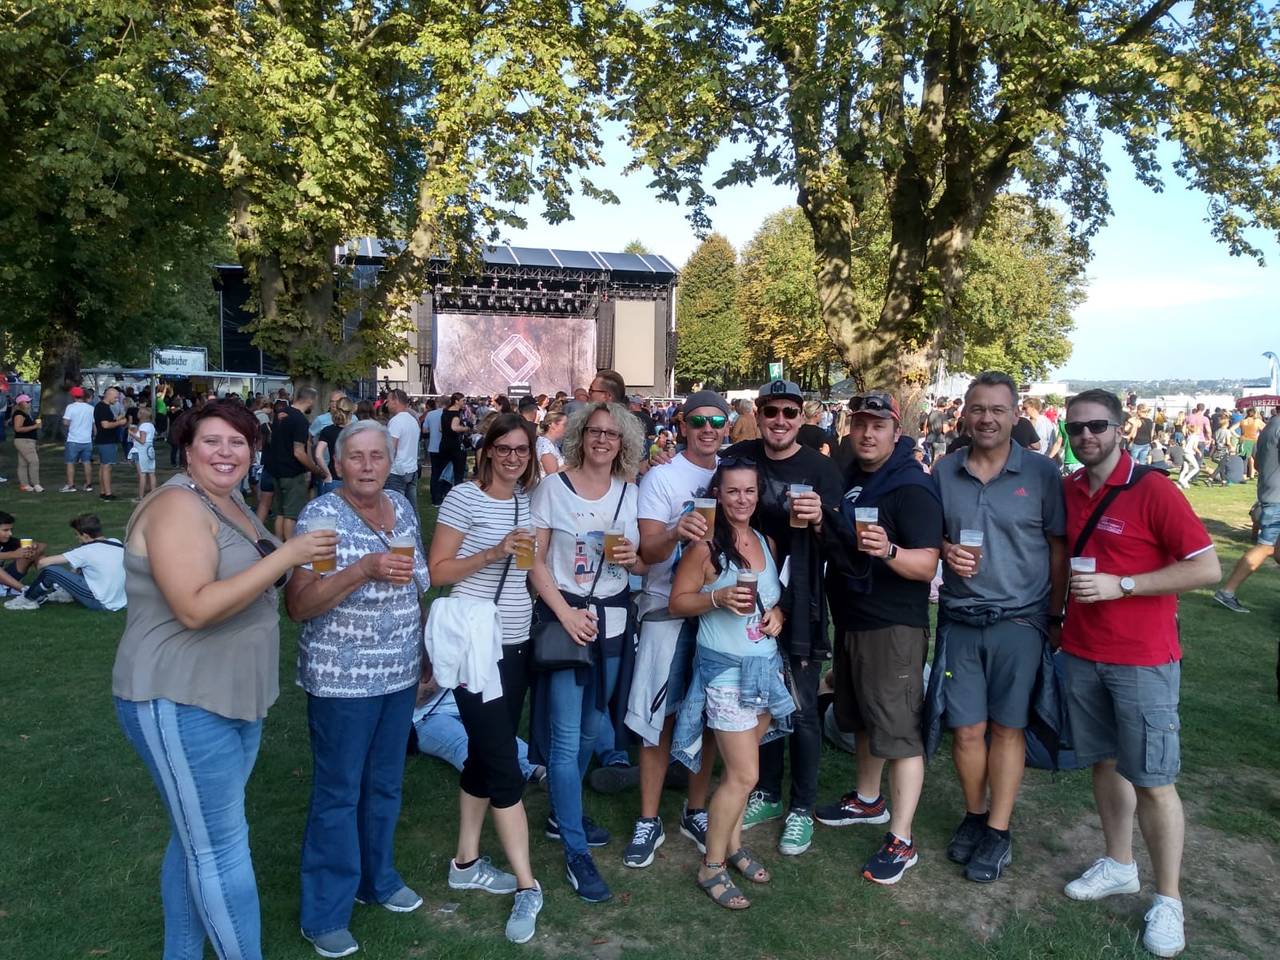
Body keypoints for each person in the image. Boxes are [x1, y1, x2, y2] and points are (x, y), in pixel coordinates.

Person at [112, 400, 336, 960]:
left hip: (233, 698)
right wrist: (288, 553)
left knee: (196, 840)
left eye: (238, 441)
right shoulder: (176, 507)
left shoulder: (229, 501)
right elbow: (194, 607)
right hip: (179, 696)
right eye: (211, 441)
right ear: (187, 450)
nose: (226, 452)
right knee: (221, 850)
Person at [1058, 389, 1220, 959]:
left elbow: (1206, 567)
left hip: (1143, 658)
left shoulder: (1153, 489)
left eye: (1097, 426)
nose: (1086, 436)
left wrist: (1123, 585)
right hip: (1082, 650)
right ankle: (1120, 863)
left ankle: (1168, 899)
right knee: (1105, 762)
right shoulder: (1071, 488)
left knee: (1152, 779)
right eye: (1076, 428)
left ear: (1120, 428)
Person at [285, 419, 431, 958]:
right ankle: (324, 914)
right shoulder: (322, 517)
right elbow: (301, 604)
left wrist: (423, 648)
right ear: (338, 463)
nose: (368, 466)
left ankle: (378, 879)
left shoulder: (404, 509)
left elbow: (415, 587)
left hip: (397, 672)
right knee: (339, 792)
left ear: (391, 462)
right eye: (357, 457)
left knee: (385, 784)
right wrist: (362, 570)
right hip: (342, 678)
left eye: (377, 456)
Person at [930, 370, 1067, 883]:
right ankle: (974, 815)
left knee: (1009, 727)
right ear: (964, 414)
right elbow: (930, 536)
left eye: (997, 410)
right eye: (978, 409)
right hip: (961, 616)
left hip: (1020, 619)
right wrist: (945, 550)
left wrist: (1055, 615)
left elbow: (1058, 549)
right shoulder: (944, 470)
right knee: (966, 729)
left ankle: (999, 829)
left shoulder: (1042, 473)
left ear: (1015, 415)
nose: (986, 418)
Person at [814, 392, 943, 885]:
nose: (867, 433)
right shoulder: (854, 477)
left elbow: (926, 564)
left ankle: (902, 839)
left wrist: (889, 549)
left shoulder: (912, 486)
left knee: (900, 732)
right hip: (852, 619)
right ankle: (868, 800)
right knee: (865, 718)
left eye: (878, 425)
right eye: (861, 424)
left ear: (896, 431)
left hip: (893, 627)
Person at [426, 413, 544, 945]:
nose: (513, 457)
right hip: (476, 649)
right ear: (488, 450)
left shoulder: (526, 502)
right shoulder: (464, 499)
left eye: (522, 449)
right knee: (503, 764)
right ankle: (527, 884)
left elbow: (530, 572)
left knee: (481, 753)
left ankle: (466, 862)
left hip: (516, 644)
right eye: (505, 448)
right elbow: (438, 571)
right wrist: (494, 552)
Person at [527, 402, 645, 903]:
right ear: (579, 435)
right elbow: (532, 560)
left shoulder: (631, 493)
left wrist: (634, 559)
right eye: (594, 431)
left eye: (611, 434)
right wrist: (565, 613)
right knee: (564, 737)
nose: (602, 440)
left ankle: (562, 813)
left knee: (593, 730)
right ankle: (576, 852)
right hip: (567, 623)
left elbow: (641, 564)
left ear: (623, 443)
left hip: (613, 624)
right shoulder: (552, 488)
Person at [725, 379, 843, 858]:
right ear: (758, 413)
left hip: (801, 603)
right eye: (771, 411)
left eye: (789, 412)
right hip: (747, 603)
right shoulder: (741, 456)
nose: (779, 420)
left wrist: (821, 519)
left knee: (803, 706)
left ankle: (802, 807)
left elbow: (840, 544)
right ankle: (768, 792)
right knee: (760, 703)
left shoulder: (820, 468)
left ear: (801, 416)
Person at [668, 459, 794, 909]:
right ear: (717, 495)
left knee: (737, 772)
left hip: (763, 670)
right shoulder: (705, 548)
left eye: (749, 491)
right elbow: (677, 603)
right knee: (745, 776)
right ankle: (712, 865)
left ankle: (734, 845)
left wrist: (777, 615)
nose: (742, 499)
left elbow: (773, 598)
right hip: (725, 675)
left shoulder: (766, 541)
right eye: (733, 491)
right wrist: (717, 597)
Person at [621, 391, 731, 869]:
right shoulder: (662, 478)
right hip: (666, 609)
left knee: (709, 716)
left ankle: (696, 809)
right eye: (699, 421)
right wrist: (674, 531)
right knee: (657, 719)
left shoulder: (732, 474)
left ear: (727, 427)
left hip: (717, 611)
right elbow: (646, 554)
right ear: (682, 425)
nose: (708, 430)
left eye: (717, 422)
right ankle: (649, 819)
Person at [412, 679, 545, 784]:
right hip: (425, 717)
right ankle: (497, 785)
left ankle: (541, 771)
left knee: (497, 734)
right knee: (463, 743)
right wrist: (443, 669)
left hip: (462, 704)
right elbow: (417, 699)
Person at [1214, 411, 1280, 613]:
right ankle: (1227, 592)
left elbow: (1257, 462)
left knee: (1275, 549)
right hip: (1277, 496)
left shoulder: (1268, 427)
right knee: (1266, 546)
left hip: (1269, 490)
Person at [4, 513, 128, 612]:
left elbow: (43, 563)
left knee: (50, 571)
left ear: (85, 535)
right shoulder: (116, 542)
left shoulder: (85, 551)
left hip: (101, 602)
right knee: (79, 565)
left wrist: (30, 555)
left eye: (77, 535)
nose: (77, 538)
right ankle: (66, 593)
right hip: (120, 600)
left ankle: (28, 599)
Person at [265, 387, 325, 541]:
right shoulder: (300, 420)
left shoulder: (280, 414)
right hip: (292, 473)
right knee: (291, 515)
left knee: (280, 513)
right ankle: (291, 547)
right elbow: (299, 452)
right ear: (310, 400)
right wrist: (315, 469)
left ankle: (279, 545)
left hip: (276, 470)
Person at [384, 389, 421, 516]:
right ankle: (416, 529)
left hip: (396, 472)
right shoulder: (413, 420)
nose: (387, 405)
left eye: (388, 401)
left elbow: (391, 448)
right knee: (412, 509)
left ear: (395, 401)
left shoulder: (396, 421)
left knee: (395, 510)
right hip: (411, 469)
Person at [93, 386, 129, 501]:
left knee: (103, 466)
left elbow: (106, 422)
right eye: (115, 397)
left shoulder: (102, 407)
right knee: (107, 467)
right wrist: (120, 423)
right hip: (107, 441)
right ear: (108, 395)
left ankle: (103, 492)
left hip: (103, 440)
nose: (117, 399)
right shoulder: (103, 407)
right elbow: (105, 425)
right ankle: (108, 493)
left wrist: (117, 419)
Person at [314, 397, 354, 496]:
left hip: (333, 477)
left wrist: (327, 474)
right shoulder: (357, 431)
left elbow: (318, 455)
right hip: (353, 479)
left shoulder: (327, 430)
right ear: (351, 412)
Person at [0, 509, 45, 595]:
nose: (10, 533)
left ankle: (54, 583)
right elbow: (12, 555)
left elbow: (42, 546)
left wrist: (33, 547)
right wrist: (13, 554)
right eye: (5, 530)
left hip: (4, 579)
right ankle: (26, 591)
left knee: (34, 553)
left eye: (10, 530)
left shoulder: (7, 540)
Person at [436, 393, 469, 504]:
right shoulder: (456, 414)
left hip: (444, 444)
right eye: (463, 400)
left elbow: (440, 428)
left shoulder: (444, 412)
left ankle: (440, 494)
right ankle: (457, 496)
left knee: (442, 471)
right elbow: (454, 427)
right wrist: (465, 428)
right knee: (458, 472)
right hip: (455, 446)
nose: (464, 403)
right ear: (456, 401)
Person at [61, 386, 95, 493]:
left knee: (70, 463)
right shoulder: (90, 408)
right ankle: (88, 484)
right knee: (86, 462)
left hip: (73, 439)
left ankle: (71, 485)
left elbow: (66, 422)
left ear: (74, 396)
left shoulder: (70, 407)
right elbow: (93, 423)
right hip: (87, 440)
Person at [11, 393, 42, 492]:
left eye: (30, 401)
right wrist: (35, 426)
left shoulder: (27, 414)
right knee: (34, 461)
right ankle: (36, 484)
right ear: (21, 403)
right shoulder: (19, 414)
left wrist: (36, 425)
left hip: (28, 440)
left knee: (23, 463)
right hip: (23, 441)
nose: (29, 403)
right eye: (27, 401)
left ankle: (24, 485)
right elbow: (17, 429)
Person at [129, 407, 158, 501]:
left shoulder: (143, 426)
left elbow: (142, 440)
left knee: (142, 474)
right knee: (151, 473)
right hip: (150, 450)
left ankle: (141, 496)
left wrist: (132, 434)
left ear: (141, 415)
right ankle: (153, 494)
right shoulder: (151, 425)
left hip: (142, 450)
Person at [536, 412, 567, 476]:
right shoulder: (544, 446)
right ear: (553, 425)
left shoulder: (553, 444)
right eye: (565, 425)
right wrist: (572, 463)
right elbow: (553, 475)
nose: (567, 428)